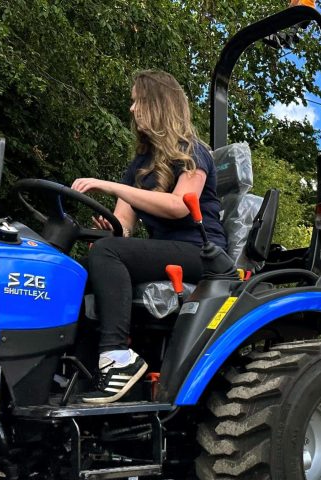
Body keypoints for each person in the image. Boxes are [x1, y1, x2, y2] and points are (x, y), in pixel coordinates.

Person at [71, 70, 228, 404]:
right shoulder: (140, 166)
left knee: (108, 253)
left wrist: (109, 185)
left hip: (200, 253)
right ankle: (79, 371)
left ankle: (119, 358)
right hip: (165, 251)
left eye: (137, 101)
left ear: (157, 103)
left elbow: (178, 207)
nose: (131, 109)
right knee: (85, 266)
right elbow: (124, 228)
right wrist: (110, 229)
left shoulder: (192, 152)